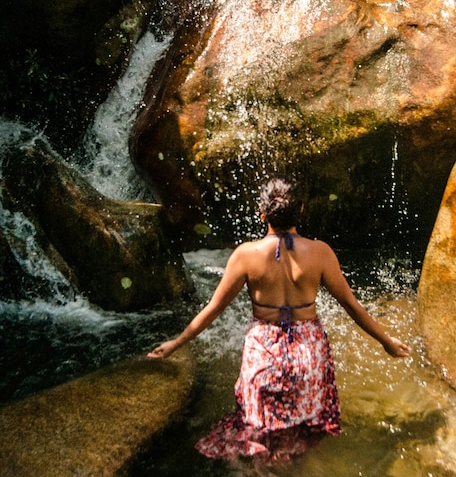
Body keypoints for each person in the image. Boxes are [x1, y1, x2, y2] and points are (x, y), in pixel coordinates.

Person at [148, 177, 410, 460]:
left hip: (264, 354)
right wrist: (386, 341)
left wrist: (176, 343)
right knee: (302, 432)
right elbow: (351, 306)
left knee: (258, 433)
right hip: (308, 355)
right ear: (300, 210)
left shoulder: (245, 255)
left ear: (262, 214)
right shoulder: (320, 252)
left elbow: (214, 309)